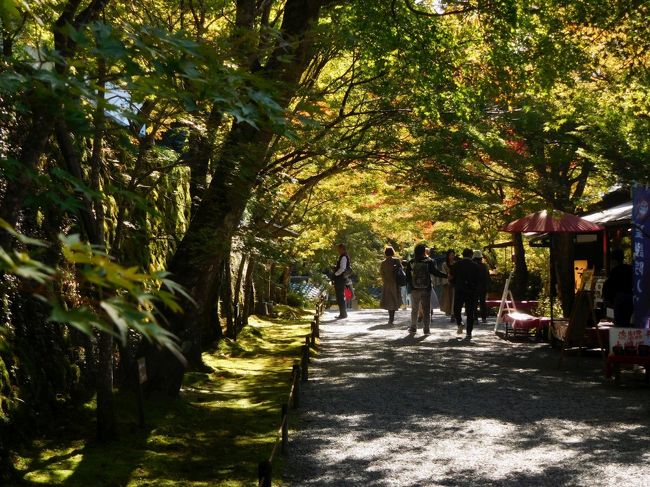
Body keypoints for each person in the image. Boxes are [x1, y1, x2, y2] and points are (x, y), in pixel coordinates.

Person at [406, 243, 447, 334]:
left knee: (415, 309)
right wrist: (447, 276)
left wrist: (412, 285)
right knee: (426, 309)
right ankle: (426, 329)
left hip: (415, 289)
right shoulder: (429, 261)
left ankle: (413, 327)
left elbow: (408, 277)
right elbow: (436, 273)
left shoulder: (411, 262)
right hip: (426, 288)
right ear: (424, 251)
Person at [451, 248, 481, 339]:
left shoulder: (457, 264)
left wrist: (454, 284)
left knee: (457, 309)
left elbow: (452, 277)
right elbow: (478, 280)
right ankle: (469, 332)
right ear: (471, 255)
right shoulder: (475, 265)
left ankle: (460, 323)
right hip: (471, 291)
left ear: (463, 255)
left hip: (459, 289)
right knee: (470, 311)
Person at [602, 248, 633, 327]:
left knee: (619, 321)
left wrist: (609, 300)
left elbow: (610, 286)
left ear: (613, 260)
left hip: (619, 298)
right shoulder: (630, 269)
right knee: (626, 320)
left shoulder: (614, 271)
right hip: (630, 298)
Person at [380, 246, 403, 325]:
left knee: (389, 300)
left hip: (387, 284)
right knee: (394, 299)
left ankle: (391, 318)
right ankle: (391, 317)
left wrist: (385, 281)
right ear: (393, 252)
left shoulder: (383, 262)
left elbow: (382, 274)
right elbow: (401, 271)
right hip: (395, 283)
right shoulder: (396, 261)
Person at [332, 243, 351, 319]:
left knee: (340, 296)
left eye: (339, 249)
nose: (338, 250)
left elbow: (342, 268)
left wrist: (336, 273)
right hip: (340, 278)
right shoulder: (343, 256)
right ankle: (342, 313)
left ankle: (343, 314)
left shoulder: (343, 257)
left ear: (342, 249)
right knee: (339, 296)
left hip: (340, 279)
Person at [473, 250, 491, 324]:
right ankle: (484, 318)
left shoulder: (473, 266)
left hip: (474, 287)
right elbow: (487, 277)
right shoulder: (484, 266)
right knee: (482, 303)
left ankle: (475, 319)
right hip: (483, 287)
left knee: (474, 303)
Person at [439, 249, 456, 320]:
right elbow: (443, 273)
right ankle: (449, 312)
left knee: (454, 299)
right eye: (451, 255)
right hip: (447, 284)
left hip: (454, 283)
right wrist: (447, 280)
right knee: (448, 299)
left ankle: (453, 313)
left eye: (453, 254)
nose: (452, 256)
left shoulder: (455, 263)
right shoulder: (444, 264)